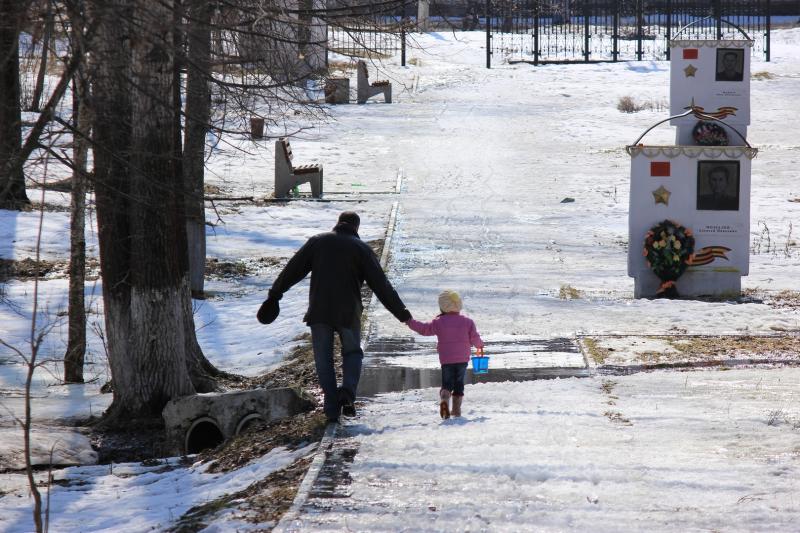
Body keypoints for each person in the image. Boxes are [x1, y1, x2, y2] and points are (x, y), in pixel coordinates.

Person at [257, 211, 412, 423]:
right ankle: (347, 392)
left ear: (337, 223)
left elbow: (293, 269)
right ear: (356, 228)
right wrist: (401, 313)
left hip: (319, 311)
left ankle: (331, 409)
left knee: (323, 359)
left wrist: (275, 295)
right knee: (352, 352)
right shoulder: (362, 249)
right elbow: (381, 285)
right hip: (349, 313)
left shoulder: (318, 242)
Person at [405, 290, 483, 419]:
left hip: (447, 359)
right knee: (459, 384)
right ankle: (456, 410)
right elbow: (475, 338)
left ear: (442, 306)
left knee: (447, 384)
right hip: (462, 359)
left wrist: (409, 321)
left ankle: (444, 405)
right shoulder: (468, 322)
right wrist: (480, 345)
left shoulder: (439, 322)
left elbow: (424, 329)